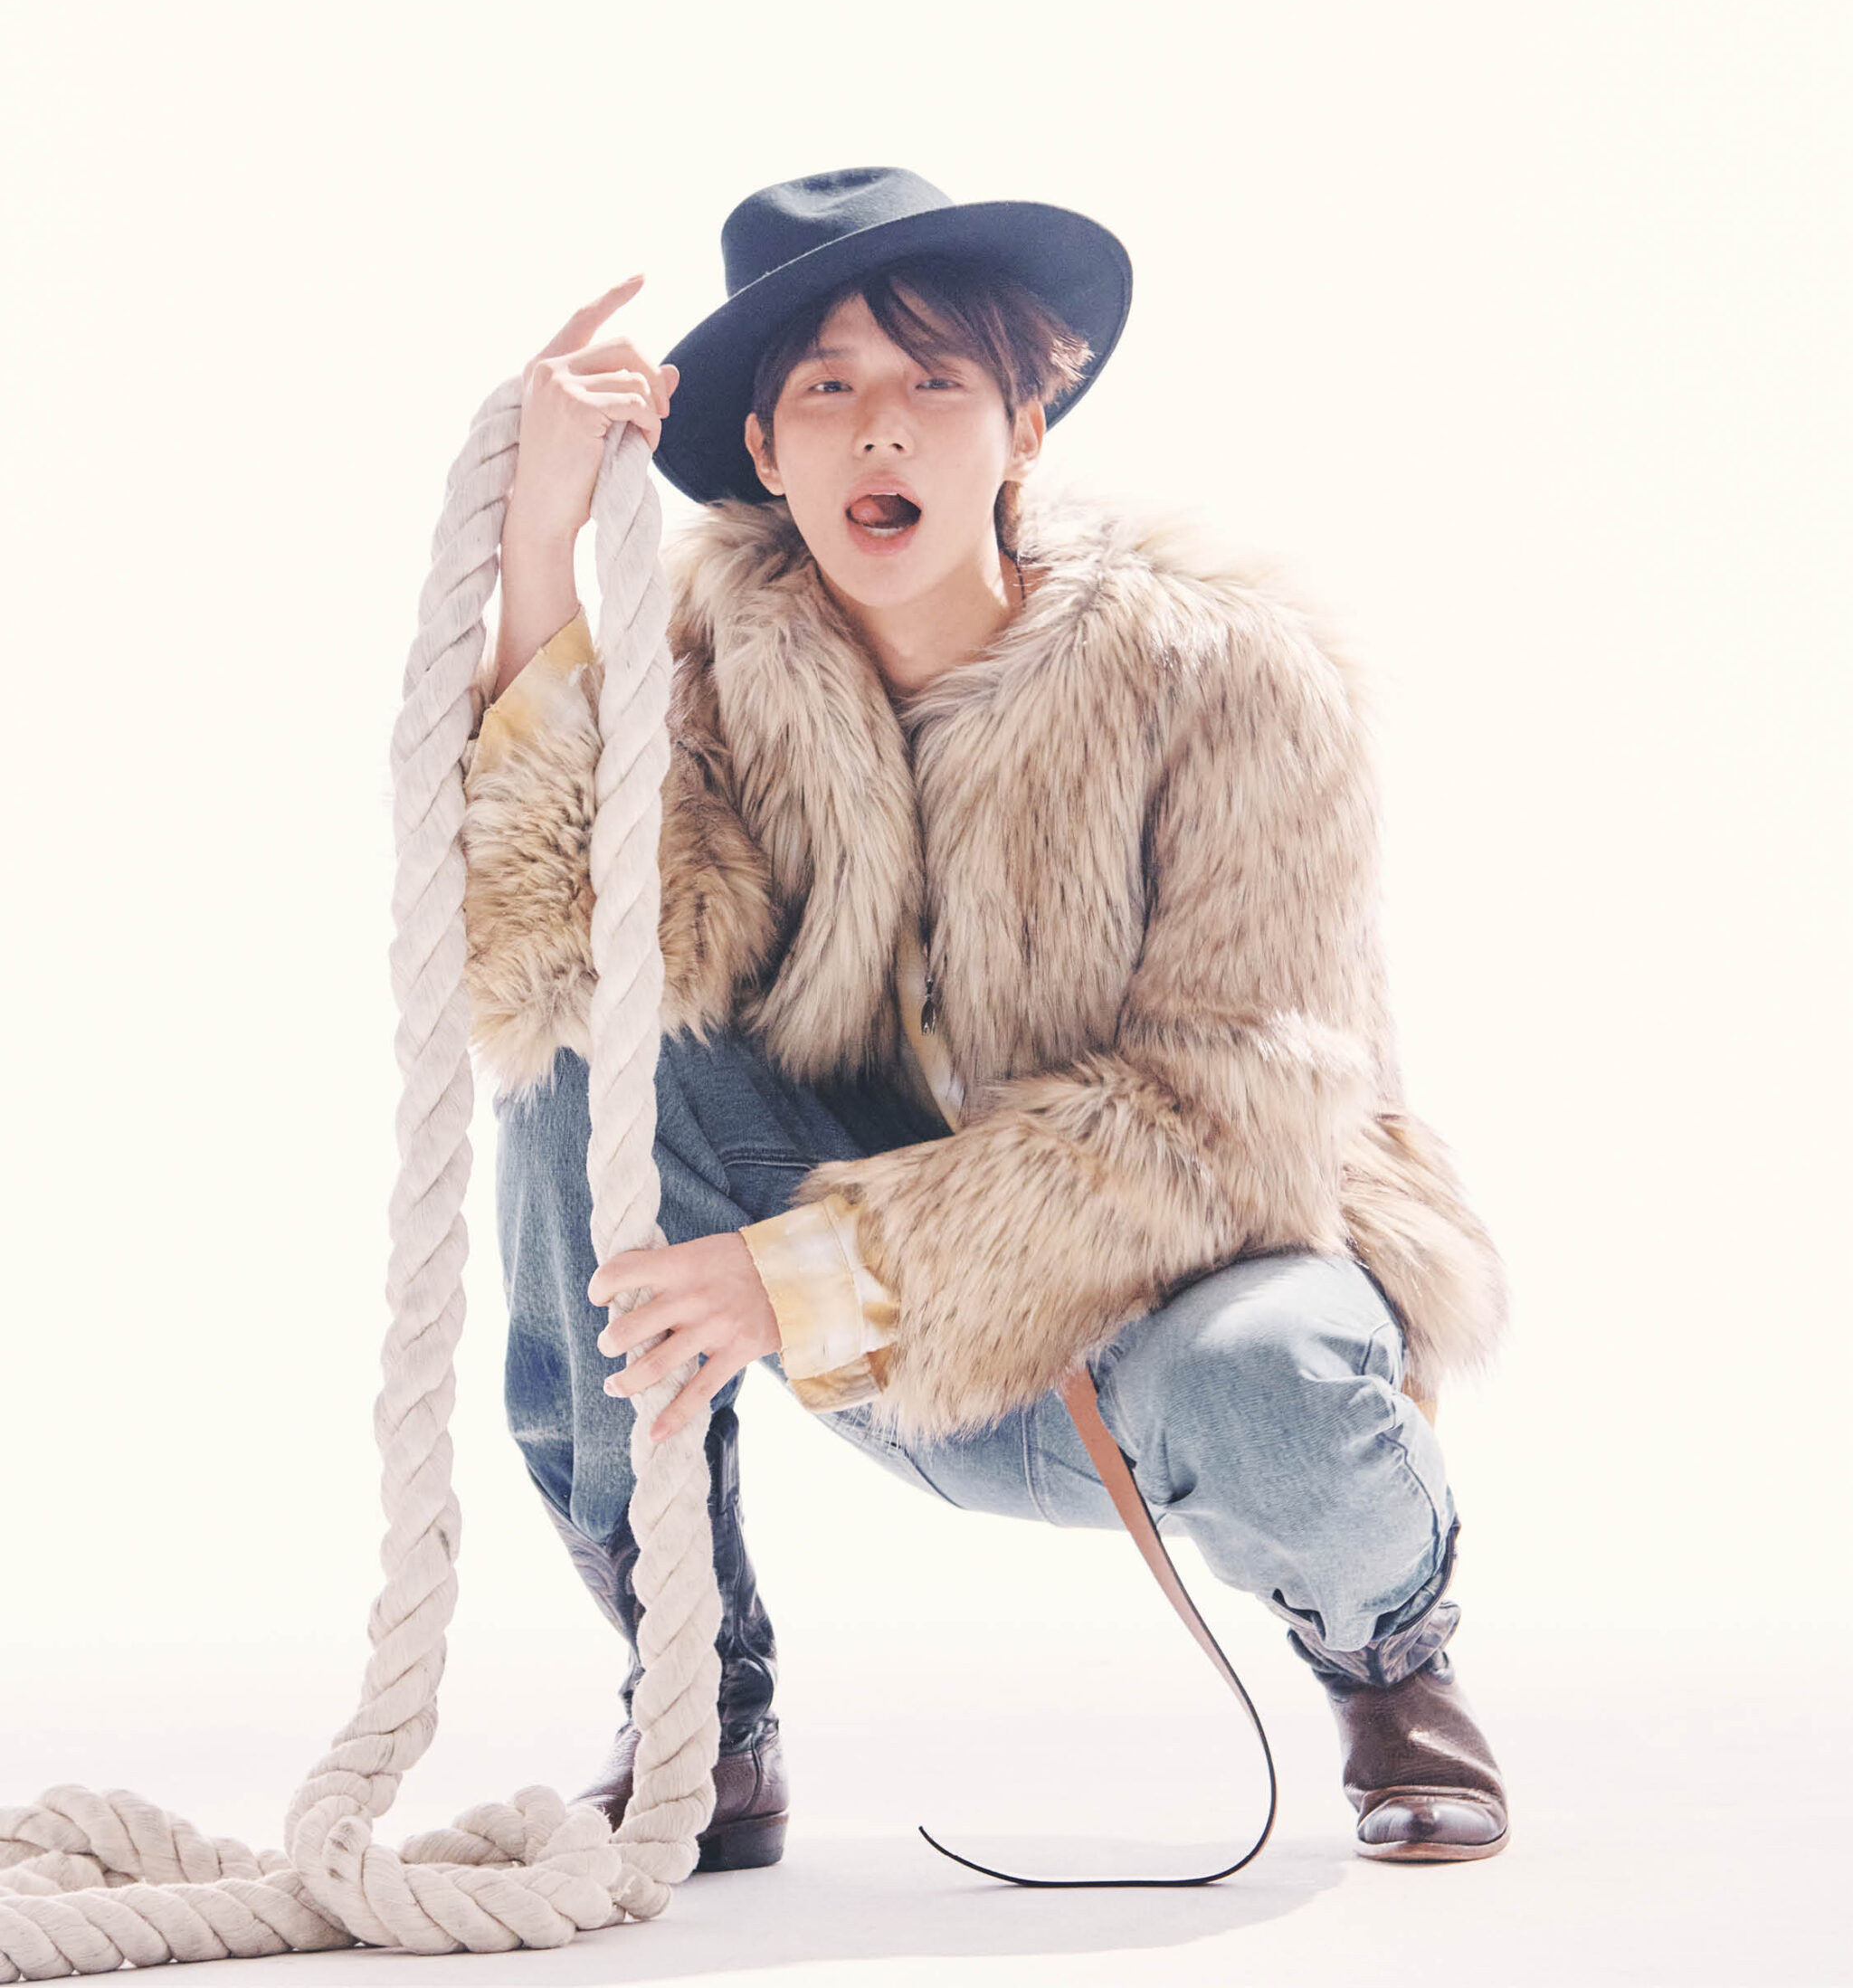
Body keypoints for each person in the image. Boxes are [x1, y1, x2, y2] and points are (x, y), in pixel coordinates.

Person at [460, 166, 1512, 1874]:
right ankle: (699, 1704)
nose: (882, 426)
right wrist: (539, 541)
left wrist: (814, 1273)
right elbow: (560, 965)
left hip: (1193, 1307)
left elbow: (1233, 1113)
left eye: (934, 377)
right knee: (582, 1067)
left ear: (1026, 423)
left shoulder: (1230, 675)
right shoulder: (714, 666)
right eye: (828, 386)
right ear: (767, 453)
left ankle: (1391, 1655)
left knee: (1269, 1375)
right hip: (889, 1337)